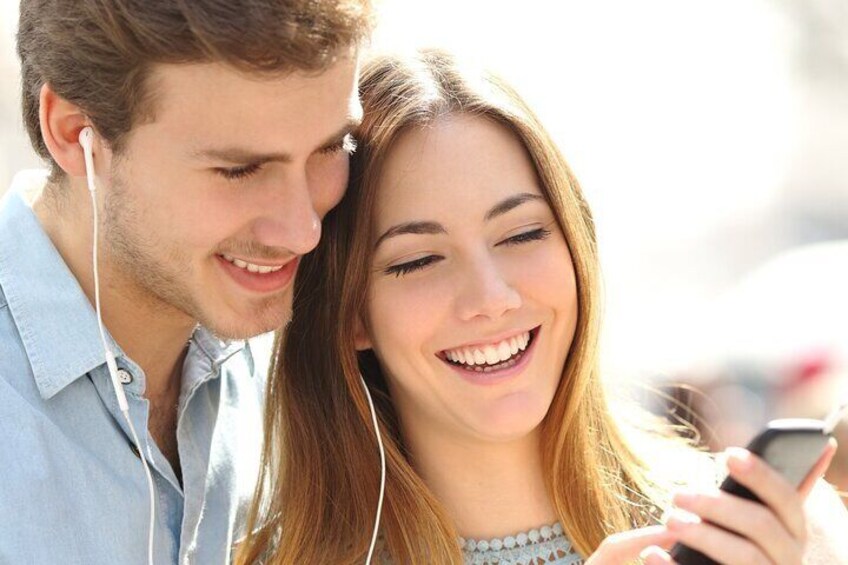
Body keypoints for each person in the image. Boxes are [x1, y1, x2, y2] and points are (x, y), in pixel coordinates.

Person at [238, 49, 848, 564]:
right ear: (350, 315)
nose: (491, 298)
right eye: (418, 260)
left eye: (522, 235)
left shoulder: (766, 535)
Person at [0, 1, 371, 563]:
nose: (303, 231)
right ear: (75, 134)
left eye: (330, 148)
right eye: (239, 169)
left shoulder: (316, 356)